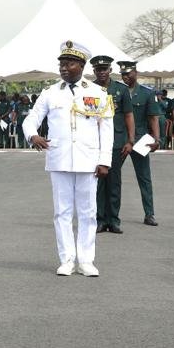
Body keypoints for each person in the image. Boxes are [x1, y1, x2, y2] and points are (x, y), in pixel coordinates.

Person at [22, 41, 113, 277]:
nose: (64, 68)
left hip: (89, 160)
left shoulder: (98, 93)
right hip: (59, 158)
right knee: (62, 212)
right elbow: (30, 120)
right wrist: (33, 136)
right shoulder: (49, 93)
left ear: (81, 66)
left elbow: (107, 129)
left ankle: (86, 260)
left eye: (69, 63)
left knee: (88, 212)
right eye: (61, 64)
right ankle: (67, 259)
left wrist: (105, 160)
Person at [90, 55, 134, 235]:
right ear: (94, 71)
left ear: (110, 70)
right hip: (94, 142)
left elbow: (129, 115)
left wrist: (130, 140)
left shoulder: (121, 90)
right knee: (98, 183)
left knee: (114, 182)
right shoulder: (89, 89)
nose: (101, 72)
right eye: (98, 70)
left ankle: (114, 220)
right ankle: (100, 220)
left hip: (117, 142)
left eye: (104, 69)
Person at [118, 61, 161, 226]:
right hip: (121, 139)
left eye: (128, 73)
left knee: (144, 178)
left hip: (141, 139)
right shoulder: (117, 91)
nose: (126, 77)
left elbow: (153, 117)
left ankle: (149, 214)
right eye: (123, 74)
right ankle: (108, 215)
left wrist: (157, 139)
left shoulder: (146, 93)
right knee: (112, 178)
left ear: (136, 73)